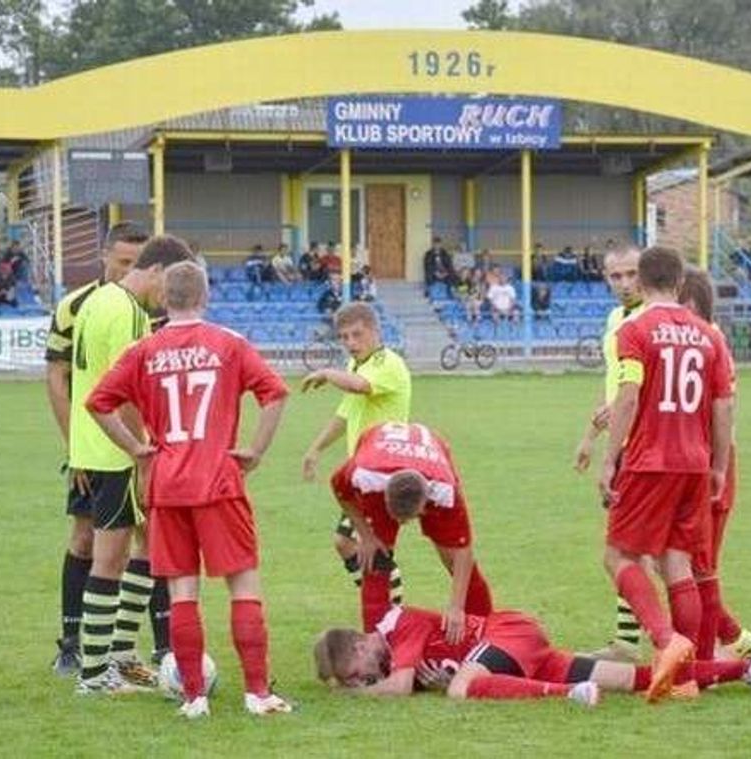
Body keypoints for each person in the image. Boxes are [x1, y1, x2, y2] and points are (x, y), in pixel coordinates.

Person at [86, 261, 293, 718]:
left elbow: (97, 403)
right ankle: (257, 693)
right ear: (205, 296)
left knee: (182, 592)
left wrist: (137, 449)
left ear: (164, 299)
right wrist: (256, 450)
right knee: (243, 585)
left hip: (167, 486)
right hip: (218, 481)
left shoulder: (144, 350)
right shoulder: (229, 344)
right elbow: (275, 393)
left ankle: (194, 697)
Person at [598, 246, 734, 702]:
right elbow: (723, 406)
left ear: (640, 282)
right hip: (695, 463)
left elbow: (629, 394)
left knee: (618, 556)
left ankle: (664, 640)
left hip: (649, 461)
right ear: (679, 283)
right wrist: (718, 465)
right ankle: (686, 678)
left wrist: (609, 459)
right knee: (678, 562)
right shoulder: (709, 335)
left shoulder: (635, 330)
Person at [43, 223, 173, 676]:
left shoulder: (140, 307)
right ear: (105, 256)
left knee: (149, 539)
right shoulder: (88, 306)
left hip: (114, 442)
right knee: (99, 547)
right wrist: (81, 447)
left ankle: (147, 650)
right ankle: (85, 657)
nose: (127, 269)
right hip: (109, 446)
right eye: (123, 261)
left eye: (135, 262)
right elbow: (64, 379)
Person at [68, 234, 194, 694]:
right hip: (116, 452)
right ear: (157, 270)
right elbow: (126, 394)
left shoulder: (98, 301)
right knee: (110, 560)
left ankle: (120, 657)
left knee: (148, 544)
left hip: (91, 447)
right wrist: (141, 454)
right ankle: (94, 675)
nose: (168, 295)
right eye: (169, 283)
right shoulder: (127, 312)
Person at [314, 604, 751, 705]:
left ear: (359, 644)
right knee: (632, 679)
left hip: (509, 633)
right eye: (355, 682)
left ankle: (568, 693)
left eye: (355, 673)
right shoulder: (393, 652)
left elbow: (397, 687)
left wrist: (352, 697)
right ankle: (744, 667)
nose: (363, 680)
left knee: (461, 691)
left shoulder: (397, 625)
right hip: (519, 652)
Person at [301, 302, 412, 613]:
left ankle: (390, 614)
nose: (350, 343)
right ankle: (386, 607)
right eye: (344, 337)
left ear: (376, 331)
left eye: (357, 334)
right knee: (351, 543)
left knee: (367, 546)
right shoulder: (356, 366)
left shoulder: (388, 363)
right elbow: (346, 414)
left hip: (384, 472)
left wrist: (327, 372)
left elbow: (361, 387)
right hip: (363, 473)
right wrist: (316, 449)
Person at [330, 422, 493, 633]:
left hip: (429, 462)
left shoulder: (444, 491)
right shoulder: (363, 473)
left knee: (454, 559)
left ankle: (488, 631)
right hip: (379, 456)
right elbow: (339, 489)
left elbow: (463, 548)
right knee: (376, 558)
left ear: (426, 505)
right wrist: (366, 535)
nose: (402, 524)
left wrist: (456, 607)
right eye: (396, 517)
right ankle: (375, 643)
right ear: (385, 497)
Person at [677, 267, 751, 660]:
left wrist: (718, 466)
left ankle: (704, 659)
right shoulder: (695, 341)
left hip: (708, 463)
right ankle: (727, 636)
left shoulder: (710, 342)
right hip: (686, 461)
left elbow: (723, 409)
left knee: (699, 566)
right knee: (674, 561)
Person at [572, 246, 644, 663]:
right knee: (632, 550)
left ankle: (720, 639)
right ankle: (631, 641)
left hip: (646, 448)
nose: (624, 283)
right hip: (623, 445)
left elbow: (643, 389)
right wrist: (590, 436)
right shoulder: (616, 319)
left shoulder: (652, 318)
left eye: (632, 274)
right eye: (616, 276)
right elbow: (613, 381)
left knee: (629, 552)